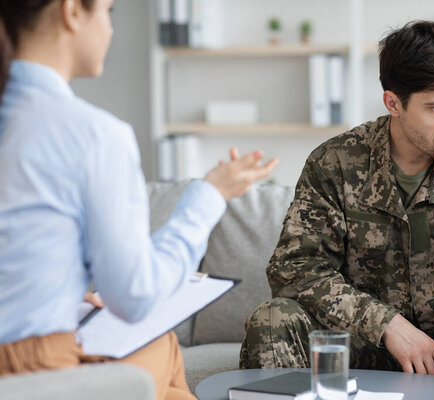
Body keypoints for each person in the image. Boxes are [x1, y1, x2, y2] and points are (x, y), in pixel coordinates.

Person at [241, 20, 434, 400]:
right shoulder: (335, 162)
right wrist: (387, 325)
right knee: (273, 318)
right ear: (393, 103)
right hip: (361, 346)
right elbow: (293, 271)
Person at [0, 1, 277, 399]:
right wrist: (209, 196)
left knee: (158, 348)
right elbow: (136, 296)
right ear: (72, 10)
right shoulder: (92, 135)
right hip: (31, 368)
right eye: (108, 13)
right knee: (160, 345)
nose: (110, 31)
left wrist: (64, 298)